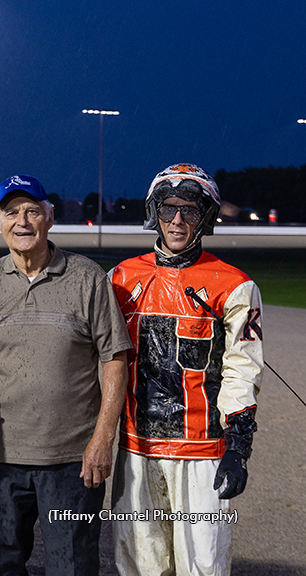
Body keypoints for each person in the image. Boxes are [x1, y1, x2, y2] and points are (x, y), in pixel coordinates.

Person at [0, 174, 131, 575]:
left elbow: (115, 359)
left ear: (50, 217)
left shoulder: (87, 277)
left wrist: (103, 439)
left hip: (72, 462)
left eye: (32, 211)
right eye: (11, 212)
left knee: (71, 567)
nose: (21, 221)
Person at [108, 163, 263, 576]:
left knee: (204, 567)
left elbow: (242, 369)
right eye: (169, 208)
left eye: (190, 210)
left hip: (203, 455)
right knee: (139, 565)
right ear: (154, 212)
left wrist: (238, 446)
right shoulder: (120, 278)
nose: (177, 220)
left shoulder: (234, 285)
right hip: (136, 449)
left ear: (206, 217)